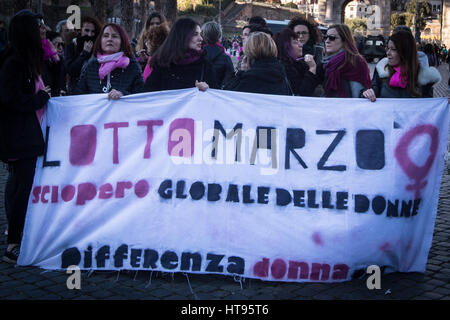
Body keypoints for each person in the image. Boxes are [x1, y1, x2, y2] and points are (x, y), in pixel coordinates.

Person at [0, 11, 51, 264]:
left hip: (26, 135)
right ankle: (13, 244)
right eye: (39, 26)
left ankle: (19, 235)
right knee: (21, 189)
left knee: (23, 187)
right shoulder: (14, 63)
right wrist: (38, 99)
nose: (43, 29)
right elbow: (8, 98)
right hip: (19, 138)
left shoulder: (29, 60)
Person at [362, 30, 441, 101]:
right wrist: (366, 93)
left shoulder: (424, 78)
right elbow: (372, 94)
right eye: (388, 48)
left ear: (405, 52)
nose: (388, 53)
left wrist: (447, 104)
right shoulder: (381, 71)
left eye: (393, 49)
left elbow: (430, 108)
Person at [144, 18, 217, 92]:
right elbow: (148, 95)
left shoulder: (205, 65)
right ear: (182, 36)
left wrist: (208, 89)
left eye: (200, 34)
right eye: (195, 34)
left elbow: (216, 97)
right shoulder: (163, 64)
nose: (201, 38)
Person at [74, 23, 144, 98]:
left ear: (122, 41)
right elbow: (79, 95)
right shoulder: (91, 65)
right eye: (106, 36)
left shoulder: (132, 66)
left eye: (114, 36)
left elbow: (140, 96)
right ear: (100, 40)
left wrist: (123, 95)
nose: (110, 39)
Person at [223, 32, 291, 96]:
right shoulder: (282, 75)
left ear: (249, 52)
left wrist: (241, 73)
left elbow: (227, 94)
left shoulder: (248, 79)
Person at [319, 24, 371, 98]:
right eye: (325, 37)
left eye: (332, 38)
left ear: (344, 40)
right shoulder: (326, 62)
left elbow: (358, 94)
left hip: (348, 107)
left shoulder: (355, 61)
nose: (327, 41)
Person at [273, 28, 319, 96]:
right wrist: (312, 68)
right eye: (295, 42)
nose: (301, 45)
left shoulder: (298, 64)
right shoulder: (286, 67)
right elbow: (303, 92)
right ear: (286, 47)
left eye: (299, 42)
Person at [65, 16, 102, 94]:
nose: (89, 34)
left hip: (94, 89)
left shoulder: (99, 47)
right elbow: (71, 70)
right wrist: (84, 53)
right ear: (80, 30)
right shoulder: (72, 46)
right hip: (75, 90)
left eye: (93, 31)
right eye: (86, 30)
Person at [201, 21, 234, 89]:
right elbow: (229, 81)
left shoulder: (196, 56)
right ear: (219, 37)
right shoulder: (226, 58)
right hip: (218, 95)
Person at [39, 18, 66, 97]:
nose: (61, 47)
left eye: (62, 44)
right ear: (48, 44)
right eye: (57, 44)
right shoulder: (43, 61)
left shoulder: (60, 61)